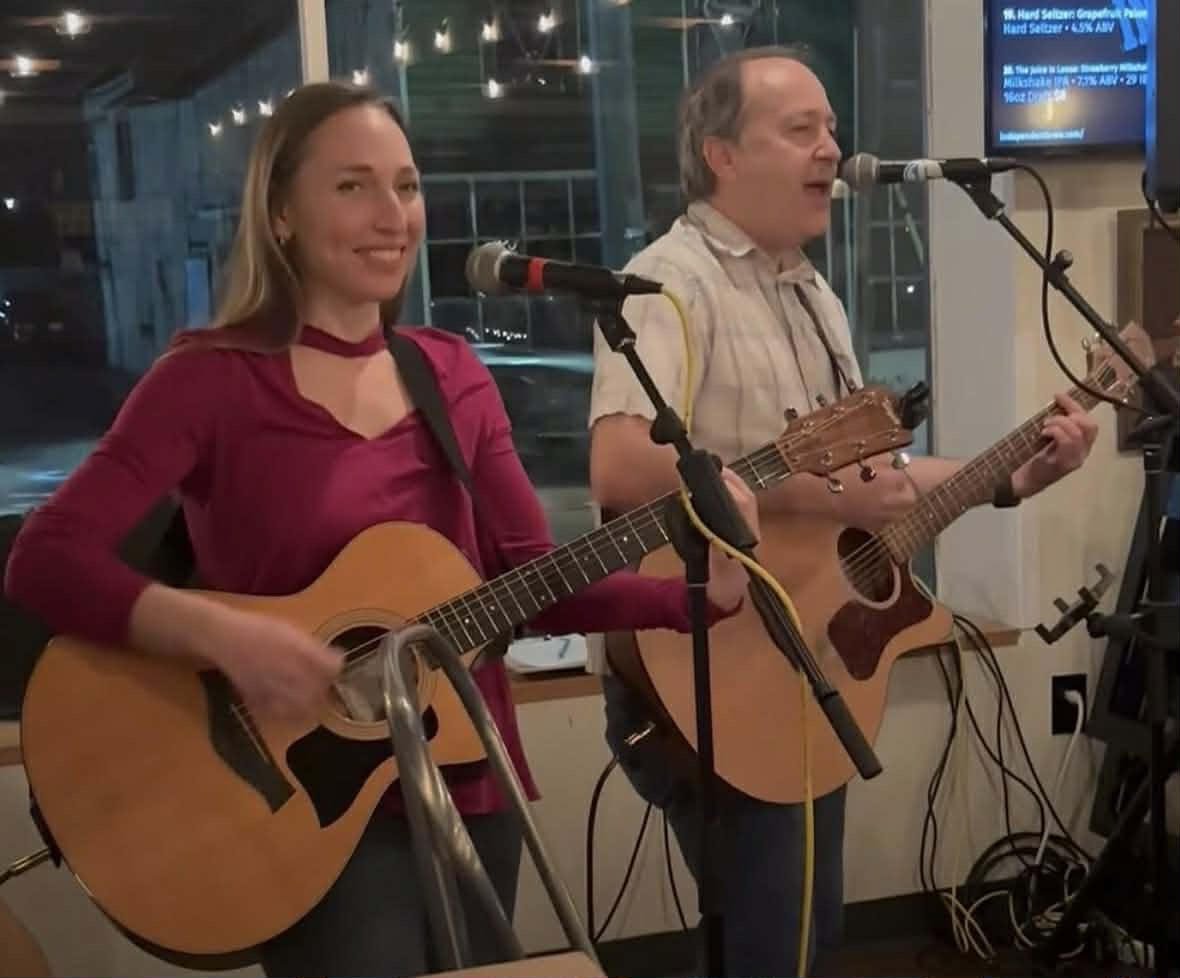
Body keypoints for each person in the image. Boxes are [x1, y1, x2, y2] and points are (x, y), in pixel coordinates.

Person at [3, 81, 759, 978]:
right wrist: (225, 636)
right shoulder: (208, 382)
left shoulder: (451, 374)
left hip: (468, 781)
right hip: (300, 809)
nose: (391, 215)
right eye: (352, 186)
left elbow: (529, 584)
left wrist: (694, 597)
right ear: (280, 213)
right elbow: (46, 559)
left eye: (405, 185)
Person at [587, 46, 1099, 977]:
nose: (832, 148)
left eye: (830, 126)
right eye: (801, 130)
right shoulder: (670, 284)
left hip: (806, 656)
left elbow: (873, 482)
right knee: (770, 948)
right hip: (713, 666)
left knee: (805, 940)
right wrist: (811, 487)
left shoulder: (815, 296)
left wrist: (1012, 475)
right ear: (721, 156)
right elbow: (620, 465)